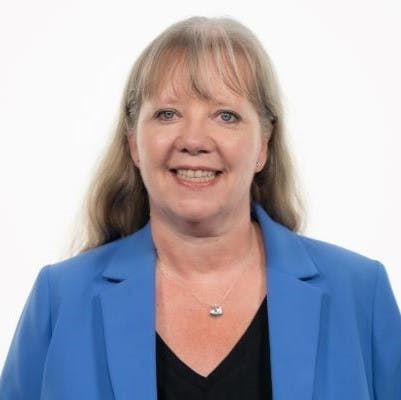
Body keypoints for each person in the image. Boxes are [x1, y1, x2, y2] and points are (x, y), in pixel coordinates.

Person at [0, 15, 400, 400]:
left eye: (226, 115)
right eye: (167, 114)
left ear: (263, 145)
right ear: (134, 143)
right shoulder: (60, 299)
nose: (193, 139)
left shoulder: (361, 295)